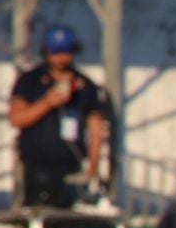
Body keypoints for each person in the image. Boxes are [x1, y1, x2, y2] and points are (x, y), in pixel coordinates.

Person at [7, 25, 109, 210]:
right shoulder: (30, 81)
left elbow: (96, 128)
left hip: (70, 166)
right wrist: (47, 103)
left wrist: (93, 167)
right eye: (56, 52)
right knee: (38, 213)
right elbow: (16, 118)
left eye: (66, 52)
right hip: (36, 165)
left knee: (70, 217)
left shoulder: (85, 86)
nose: (61, 58)